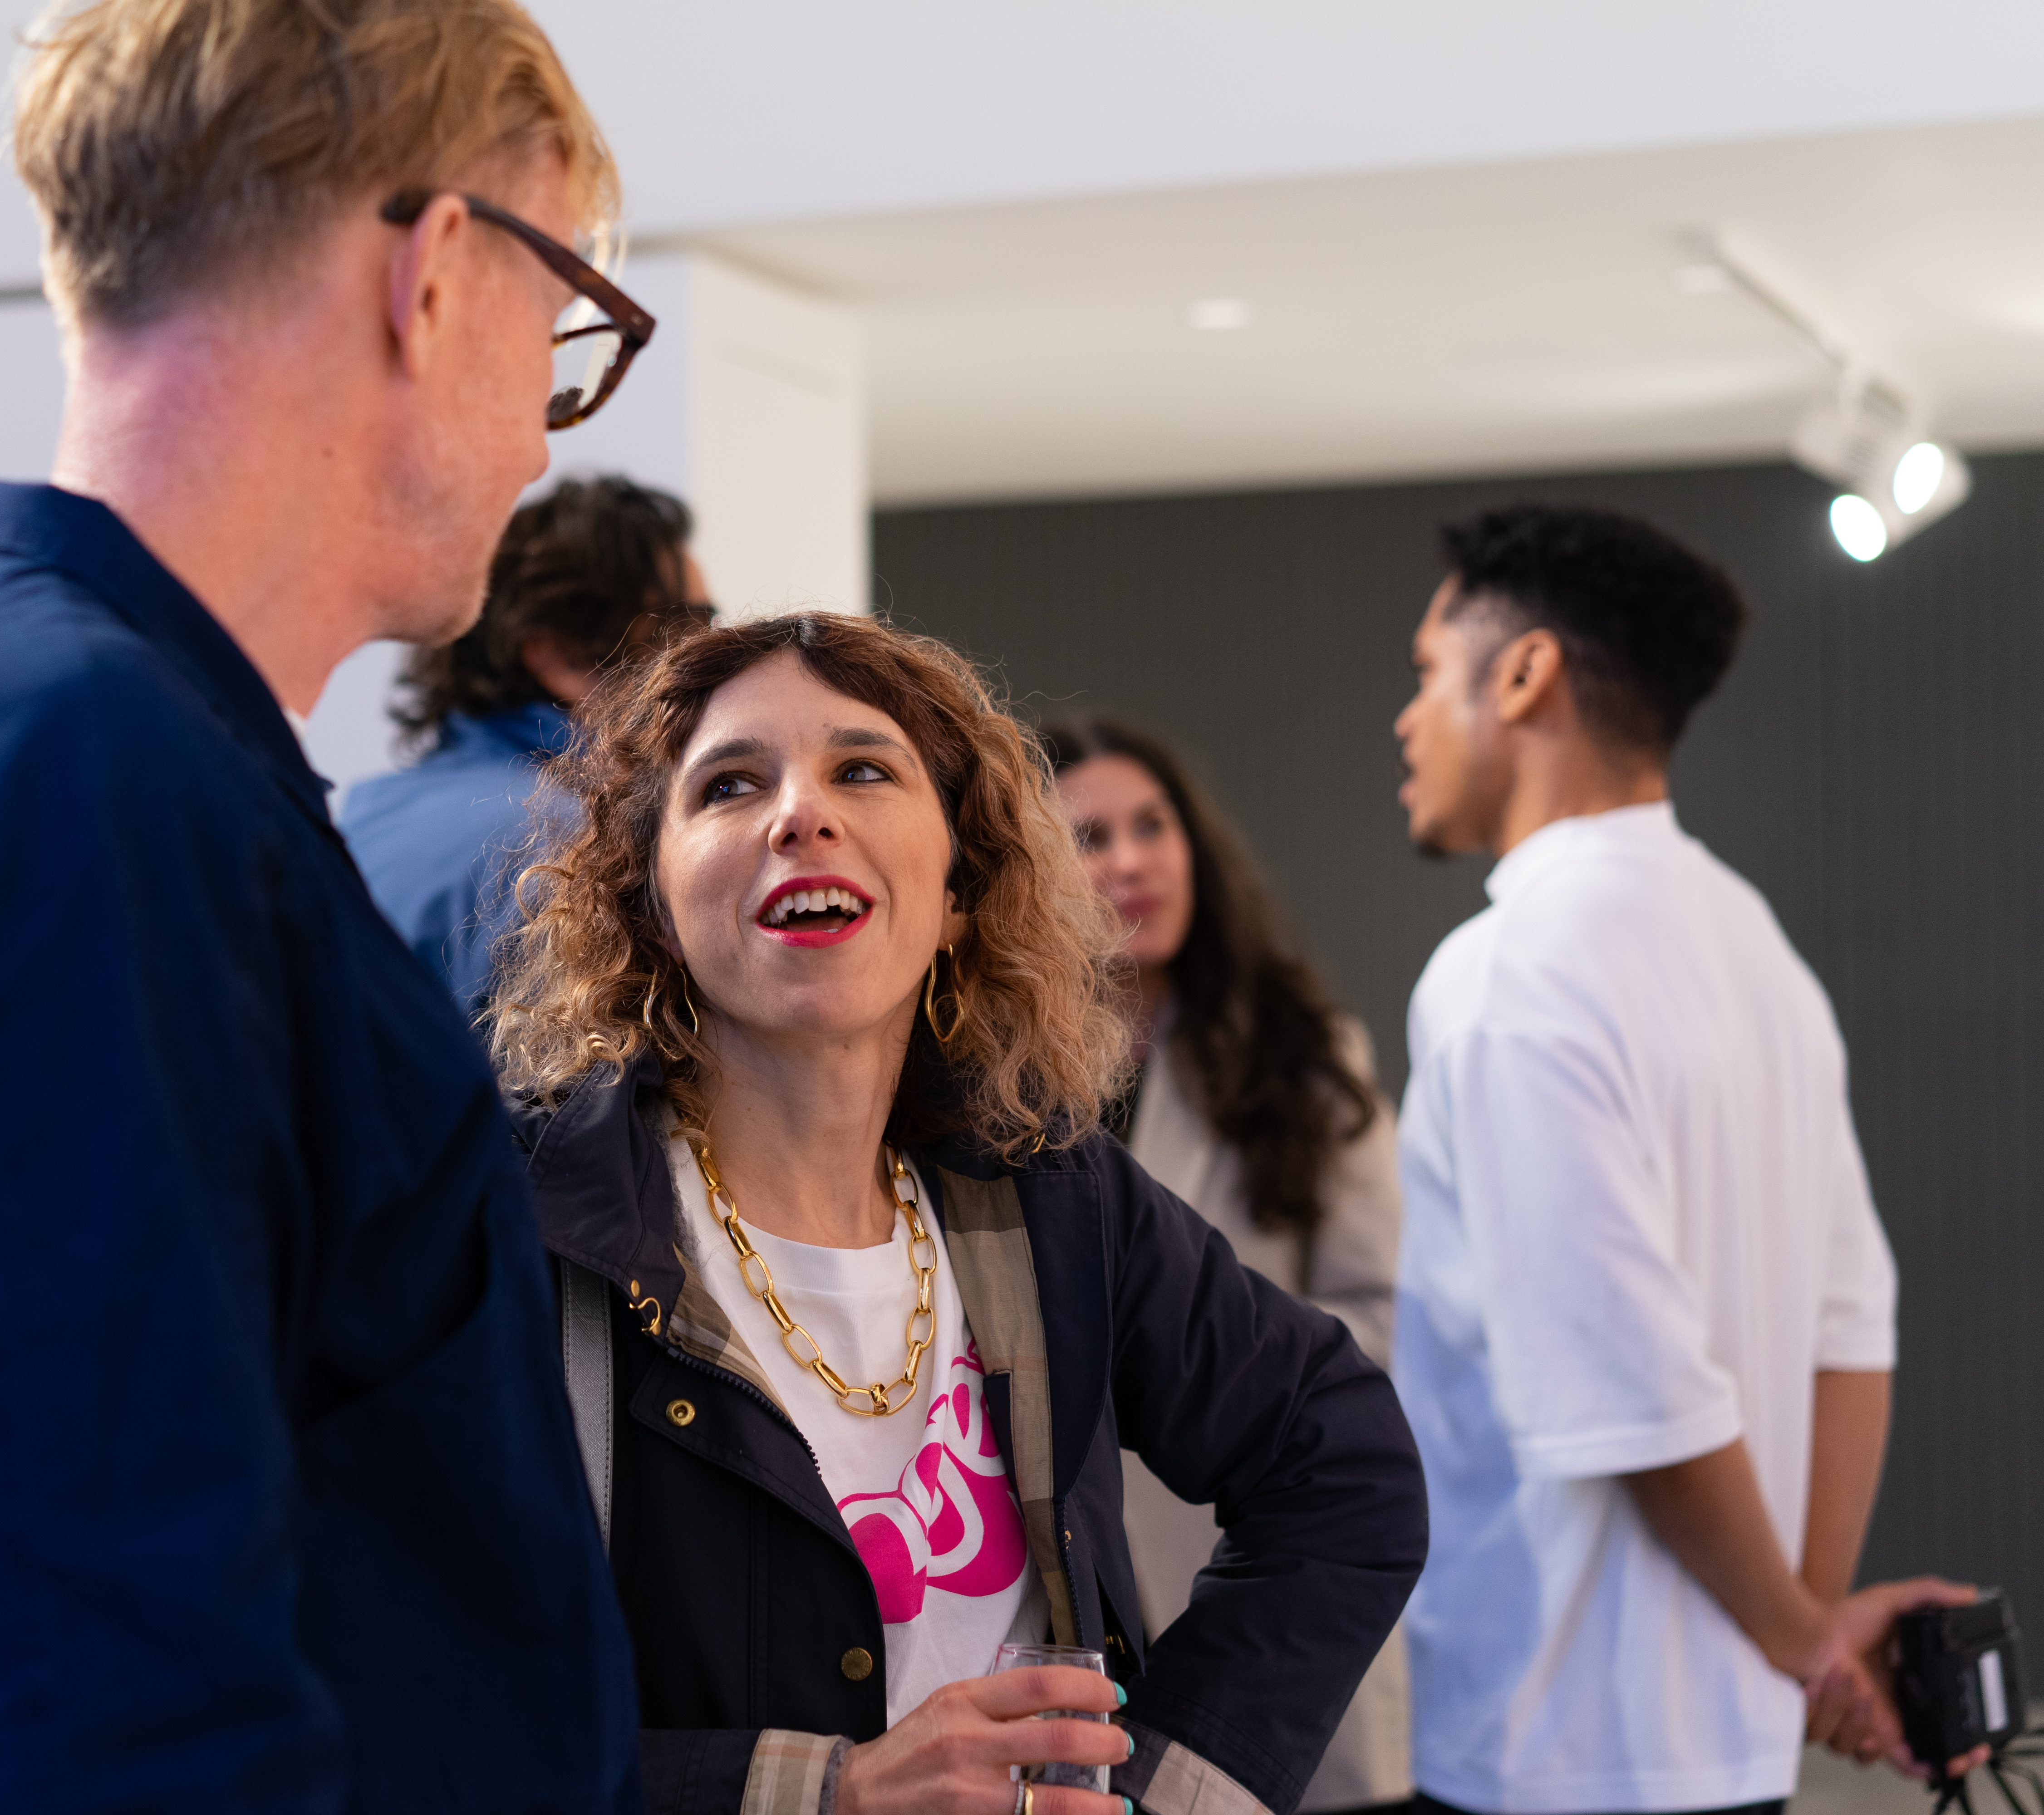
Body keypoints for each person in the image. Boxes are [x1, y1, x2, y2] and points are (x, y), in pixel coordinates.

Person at [0, 3, 653, 1811]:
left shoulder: (66, 754)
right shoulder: (65, 798)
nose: (537, 441)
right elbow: (97, 1714)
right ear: (436, 275)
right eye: (561, 322)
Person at [491, 611, 1428, 1815]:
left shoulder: (1054, 1196)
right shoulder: (520, 1235)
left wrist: (1176, 1791)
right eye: (730, 784)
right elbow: (423, 1715)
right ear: (654, 906)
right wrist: (825, 1792)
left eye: (864, 770)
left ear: (959, 894)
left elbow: (1345, 1461)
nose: (800, 814)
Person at [1388, 504, 1981, 1815]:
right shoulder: (1755, 948)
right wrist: (1802, 1631)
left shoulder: (1508, 974)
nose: (1407, 718)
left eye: (1430, 674)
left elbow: (1631, 1381)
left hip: (1548, 1741)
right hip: (1721, 1739)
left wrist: (1800, 1640)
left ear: (1526, 674)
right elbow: (1851, 1327)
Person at [1044, 720, 1413, 1815]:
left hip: (1251, 1558)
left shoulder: (1304, 1056)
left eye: (1153, 826)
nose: (1130, 860)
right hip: (1078, 1582)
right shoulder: (997, 1082)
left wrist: (1212, 1366)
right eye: (1091, 835)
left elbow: (1386, 1316)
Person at [343, 474, 709, 1011]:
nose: (710, 660)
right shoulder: (576, 848)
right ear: (561, 655)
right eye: (686, 628)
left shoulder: (363, 815)